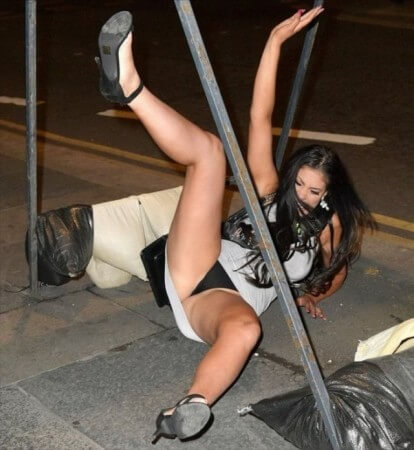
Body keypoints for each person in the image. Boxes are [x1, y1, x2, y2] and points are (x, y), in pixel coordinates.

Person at [96, 7, 375, 443]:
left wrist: (308, 293)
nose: (302, 195)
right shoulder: (269, 189)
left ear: (328, 195)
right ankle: (128, 87)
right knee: (211, 152)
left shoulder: (327, 232)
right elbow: (260, 117)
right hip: (200, 259)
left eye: (314, 191)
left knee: (247, 330)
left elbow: (335, 272)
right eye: (299, 183)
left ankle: (189, 406)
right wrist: (274, 42)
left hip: (223, 302)